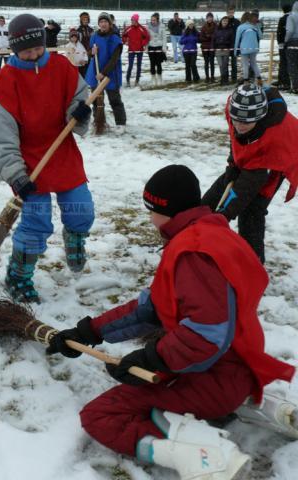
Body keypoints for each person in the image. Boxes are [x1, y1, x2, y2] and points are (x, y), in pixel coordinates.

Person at [47, 164, 295, 480]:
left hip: (217, 374)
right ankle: (242, 403)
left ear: (166, 210)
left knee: (101, 415)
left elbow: (206, 334)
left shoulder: (193, 253)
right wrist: (88, 332)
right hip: (239, 363)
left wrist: (152, 359)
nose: (149, 219)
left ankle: (207, 455)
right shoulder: (208, 232)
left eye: (151, 211)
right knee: (148, 382)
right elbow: (148, 309)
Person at [0, 14, 93, 303]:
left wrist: (78, 112)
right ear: (14, 48)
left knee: (81, 209)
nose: (33, 55)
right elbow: (1, 139)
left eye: (38, 49)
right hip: (28, 162)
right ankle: (18, 276)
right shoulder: (4, 85)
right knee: (36, 222)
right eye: (26, 51)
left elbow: (80, 96)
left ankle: (75, 240)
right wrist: (15, 174)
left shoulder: (61, 66)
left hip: (62, 152)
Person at [201, 84, 298, 263]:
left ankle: (252, 263)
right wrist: (232, 164)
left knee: (252, 209)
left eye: (246, 122)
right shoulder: (234, 110)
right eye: (236, 119)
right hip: (255, 151)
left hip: (278, 159)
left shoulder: (275, 137)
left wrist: (224, 214)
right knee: (224, 184)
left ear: (259, 118)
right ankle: (193, 231)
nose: (239, 125)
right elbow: (235, 138)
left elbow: (250, 182)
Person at [87, 12, 126, 127]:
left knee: (114, 100)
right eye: (101, 22)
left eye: (105, 22)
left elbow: (114, 60)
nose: (103, 24)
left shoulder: (115, 39)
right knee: (97, 101)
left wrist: (103, 73)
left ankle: (120, 123)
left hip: (110, 74)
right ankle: (99, 122)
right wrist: (91, 52)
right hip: (95, 71)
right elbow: (89, 52)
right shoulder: (94, 36)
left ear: (110, 23)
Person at [235, 11, 262, 85]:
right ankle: (259, 79)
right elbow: (260, 36)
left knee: (245, 65)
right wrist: (258, 26)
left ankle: (246, 81)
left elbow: (237, 40)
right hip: (254, 48)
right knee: (254, 64)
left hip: (244, 49)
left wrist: (235, 51)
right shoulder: (254, 26)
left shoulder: (240, 27)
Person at [122, 14, 149, 87]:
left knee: (139, 66)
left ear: (136, 20)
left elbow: (147, 37)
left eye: (133, 20)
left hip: (140, 50)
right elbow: (123, 36)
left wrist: (142, 43)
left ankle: (137, 80)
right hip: (131, 50)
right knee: (130, 65)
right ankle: (127, 80)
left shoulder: (142, 28)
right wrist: (126, 41)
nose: (132, 21)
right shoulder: (129, 28)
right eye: (131, 20)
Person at [214, 16, 236, 85]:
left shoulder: (230, 30)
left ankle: (225, 80)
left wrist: (230, 48)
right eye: (224, 21)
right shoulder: (217, 29)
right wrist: (213, 48)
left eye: (226, 21)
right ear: (221, 21)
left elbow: (232, 41)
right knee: (221, 65)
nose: (225, 22)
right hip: (218, 50)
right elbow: (213, 39)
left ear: (228, 22)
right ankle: (222, 78)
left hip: (226, 50)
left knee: (225, 65)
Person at [147, 13, 167, 85]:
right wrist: (146, 47)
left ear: (157, 20)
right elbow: (146, 38)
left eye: (154, 20)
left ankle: (160, 78)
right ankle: (153, 78)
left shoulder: (162, 26)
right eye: (152, 20)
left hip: (159, 46)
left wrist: (164, 47)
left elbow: (164, 37)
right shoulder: (148, 27)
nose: (153, 21)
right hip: (151, 46)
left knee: (158, 63)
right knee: (152, 63)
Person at [276, 4, 293, 90]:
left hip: (283, 44)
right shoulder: (293, 18)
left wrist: (280, 42)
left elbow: (279, 32)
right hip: (292, 44)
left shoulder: (283, 19)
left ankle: (284, 82)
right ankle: (284, 81)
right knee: (290, 63)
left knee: (283, 63)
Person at [283, 2, 298, 93]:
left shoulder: (291, 17)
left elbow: (290, 30)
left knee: (293, 66)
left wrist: (285, 40)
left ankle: (295, 87)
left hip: (293, 42)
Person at [200, 12, 217, 82]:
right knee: (206, 62)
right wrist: (207, 37)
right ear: (206, 18)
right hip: (204, 47)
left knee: (212, 62)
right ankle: (207, 77)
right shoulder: (203, 27)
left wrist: (210, 36)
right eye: (208, 17)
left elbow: (216, 35)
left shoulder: (216, 26)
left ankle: (212, 77)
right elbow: (201, 37)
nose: (210, 19)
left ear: (212, 18)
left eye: (211, 17)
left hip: (212, 46)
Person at [226, 5, 241, 83]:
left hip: (235, 45)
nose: (231, 14)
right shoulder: (224, 21)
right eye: (229, 12)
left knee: (234, 63)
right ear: (227, 13)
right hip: (226, 45)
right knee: (225, 63)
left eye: (232, 12)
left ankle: (234, 78)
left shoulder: (237, 22)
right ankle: (225, 78)